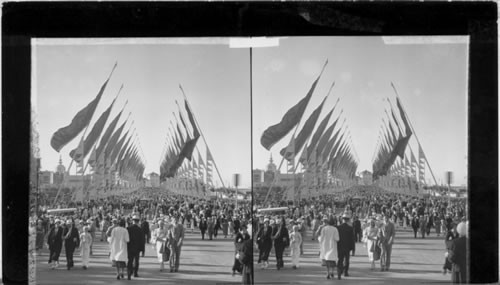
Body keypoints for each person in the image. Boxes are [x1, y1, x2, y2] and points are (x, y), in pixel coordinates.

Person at [127, 215, 145, 279]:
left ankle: (129, 272)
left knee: (130, 261)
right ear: (138, 221)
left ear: (132, 221)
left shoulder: (128, 228)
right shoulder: (140, 230)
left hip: (130, 248)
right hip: (137, 248)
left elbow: (127, 239)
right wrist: (143, 251)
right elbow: (142, 241)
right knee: (136, 261)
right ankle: (135, 273)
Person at [337, 213, 355, 278]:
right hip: (347, 247)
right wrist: (353, 249)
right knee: (347, 260)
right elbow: (352, 239)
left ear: (342, 219)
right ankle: (345, 272)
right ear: (348, 220)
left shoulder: (338, 227)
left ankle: (339, 270)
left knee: (340, 259)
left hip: (340, 246)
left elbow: (337, 238)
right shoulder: (350, 228)